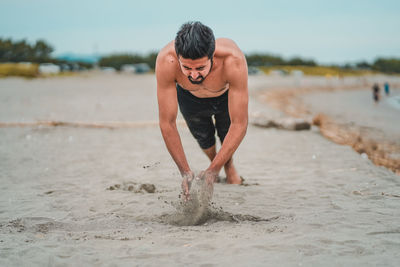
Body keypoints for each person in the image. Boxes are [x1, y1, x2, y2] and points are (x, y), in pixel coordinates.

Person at [155, 21, 248, 200]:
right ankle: (215, 161)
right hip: (190, 98)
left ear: (212, 56)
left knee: (225, 132)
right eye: (187, 68)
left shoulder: (232, 60)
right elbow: (167, 123)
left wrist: (213, 172)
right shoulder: (167, 60)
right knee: (205, 139)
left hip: (224, 96)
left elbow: (240, 124)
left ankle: (227, 167)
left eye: (200, 68)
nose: (194, 75)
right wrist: (185, 172)